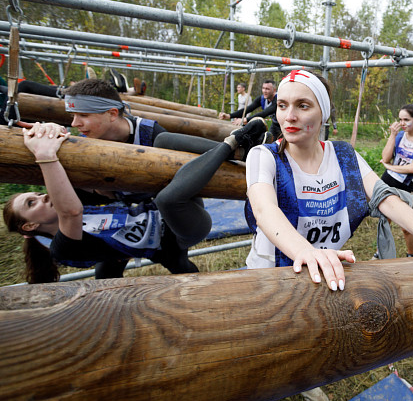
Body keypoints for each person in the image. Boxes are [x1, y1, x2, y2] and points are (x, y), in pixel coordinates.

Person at [244, 69, 413, 401]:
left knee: (312, 340)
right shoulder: (263, 156)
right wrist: (307, 252)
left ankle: (303, 381)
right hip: (271, 277)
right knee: (256, 355)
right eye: (282, 105)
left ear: (323, 112)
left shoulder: (343, 156)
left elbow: (386, 198)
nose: (289, 116)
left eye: (302, 105)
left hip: (322, 276)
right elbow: (265, 211)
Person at [3, 118, 267, 283]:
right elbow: (69, 212)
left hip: (169, 219)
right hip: (183, 231)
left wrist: (51, 131)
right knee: (168, 200)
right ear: (29, 226)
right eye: (31, 204)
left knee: (162, 140)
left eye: (36, 193)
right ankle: (232, 143)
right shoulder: (63, 247)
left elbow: (71, 182)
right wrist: (45, 156)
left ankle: (243, 153)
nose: (43, 196)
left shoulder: (81, 201)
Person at [378, 104, 413, 257]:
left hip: (407, 185)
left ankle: (411, 254)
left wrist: (390, 167)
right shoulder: (400, 135)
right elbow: (385, 157)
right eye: (400, 119)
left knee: (407, 226)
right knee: (385, 219)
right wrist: (392, 135)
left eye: (406, 119)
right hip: (389, 180)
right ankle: (381, 252)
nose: (402, 123)